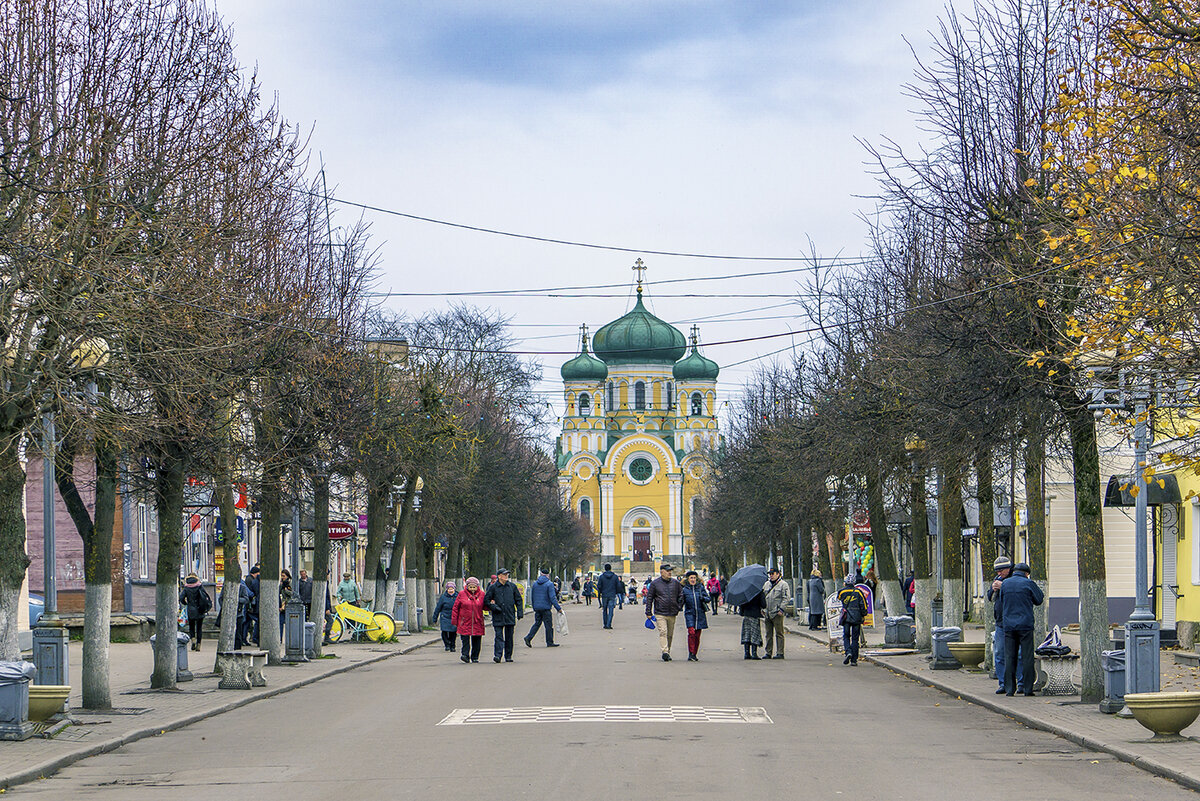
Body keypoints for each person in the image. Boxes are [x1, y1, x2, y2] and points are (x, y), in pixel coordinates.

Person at [997, 562, 1044, 697]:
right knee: (1027, 657)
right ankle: (1027, 689)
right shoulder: (1028, 583)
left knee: (1009, 656)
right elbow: (1039, 600)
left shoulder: (1005, 584)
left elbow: (1001, 600)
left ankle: (1010, 689)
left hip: (1009, 626)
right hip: (1025, 625)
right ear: (1027, 573)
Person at [644, 563, 685, 661]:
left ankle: (668, 651)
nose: (669, 572)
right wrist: (648, 612)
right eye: (667, 571)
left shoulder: (675, 583)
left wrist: (679, 606)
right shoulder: (655, 584)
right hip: (660, 612)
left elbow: (681, 595)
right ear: (661, 572)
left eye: (670, 570)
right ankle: (665, 651)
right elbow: (649, 598)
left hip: (672, 612)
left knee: (670, 634)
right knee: (663, 632)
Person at [483, 567, 524, 663]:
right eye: (504, 575)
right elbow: (486, 600)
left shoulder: (512, 587)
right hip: (498, 615)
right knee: (499, 636)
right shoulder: (493, 587)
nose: (506, 576)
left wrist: (520, 612)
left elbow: (518, 599)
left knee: (509, 637)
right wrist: (494, 607)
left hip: (510, 615)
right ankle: (498, 655)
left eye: (507, 575)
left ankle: (508, 656)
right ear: (499, 576)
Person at [988, 556, 1016, 694]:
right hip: (1000, 622)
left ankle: (1019, 682)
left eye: (1001, 570)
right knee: (999, 653)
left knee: (1017, 654)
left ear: (1008, 568)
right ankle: (1003, 683)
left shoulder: (1014, 578)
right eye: (997, 571)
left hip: (1014, 622)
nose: (999, 573)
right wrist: (993, 589)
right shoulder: (997, 579)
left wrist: (1003, 586)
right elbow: (989, 597)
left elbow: (1017, 594)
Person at [524, 568, 563, 648]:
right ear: (548, 575)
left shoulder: (535, 584)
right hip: (546, 608)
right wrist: (558, 608)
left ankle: (528, 637)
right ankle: (549, 642)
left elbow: (533, 596)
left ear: (541, 574)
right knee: (548, 625)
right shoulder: (549, 584)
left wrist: (534, 607)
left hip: (537, 608)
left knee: (537, 623)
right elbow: (552, 597)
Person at [452, 577, 486, 663]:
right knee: (465, 640)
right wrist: (454, 620)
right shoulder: (461, 594)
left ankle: (475, 657)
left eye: (474, 587)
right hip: (464, 621)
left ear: (477, 587)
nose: (472, 589)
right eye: (470, 587)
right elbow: (456, 607)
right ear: (467, 586)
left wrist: (492, 604)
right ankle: (465, 655)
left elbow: (485, 606)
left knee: (477, 641)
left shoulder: (482, 594)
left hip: (477, 621)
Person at [680, 570, 710, 662]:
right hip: (690, 614)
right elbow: (681, 601)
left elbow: (708, 598)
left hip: (700, 614)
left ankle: (694, 654)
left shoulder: (700, 588)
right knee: (691, 633)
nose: (693, 579)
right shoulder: (685, 589)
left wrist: (703, 598)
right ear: (687, 579)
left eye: (694, 578)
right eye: (691, 578)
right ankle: (691, 653)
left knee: (697, 636)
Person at [838, 576, 867, 666]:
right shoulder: (858, 592)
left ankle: (848, 652)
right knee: (855, 638)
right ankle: (854, 660)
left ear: (845, 582)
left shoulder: (842, 591)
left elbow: (839, 598)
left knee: (846, 635)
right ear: (854, 583)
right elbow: (864, 605)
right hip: (857, 617)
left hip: (846, 617)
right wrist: (863, 614)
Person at [762, 567, 790, 659]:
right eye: (770, 574)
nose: (771, 576)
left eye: (773, 574)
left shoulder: (783, 585)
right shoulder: (766, 584)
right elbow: (762, 597)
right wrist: (762, 608)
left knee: (779, 633)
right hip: (767, 613)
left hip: (777, 613)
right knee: (768, 634)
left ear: (778, 574)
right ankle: (768, 652)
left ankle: (780, 652)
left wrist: (781, 609)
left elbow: (786, 598)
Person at [179, 574, 211, 651]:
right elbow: (205, 597)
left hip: (191, 609)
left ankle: (193, 639)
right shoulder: (199, 586)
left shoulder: (186, 588)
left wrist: (186, 603)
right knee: (199, 628)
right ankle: (199, 645)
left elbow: (181, 598)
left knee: (191, 626)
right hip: (200, 609)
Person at [739, 583, 765, 660]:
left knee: (747, 633)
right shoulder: (759, 591)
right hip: (755, 615)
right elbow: (764, 605)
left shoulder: (745, 591)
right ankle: (754, 653)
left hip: (746, 615)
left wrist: (742, 612)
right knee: (755, 634)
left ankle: (747, 653)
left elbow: (741, 603)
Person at [432, 581, 459, 651]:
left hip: (454, 616)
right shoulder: (443, 597)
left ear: (454, 589)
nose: (450, 590)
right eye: (449, 589)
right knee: (444, 632)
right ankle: (447, 644)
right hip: (445, 616)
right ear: (447, 589)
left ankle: (452, 646)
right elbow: (438, 608)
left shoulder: (458, 596)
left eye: (452, 589)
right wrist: (435, 618)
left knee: (453, 632)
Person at [597, 563, 620, 628]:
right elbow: (618, 586)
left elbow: (599, 586)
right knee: (611, 610)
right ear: (610, 568)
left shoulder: (601, 576)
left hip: (604, 595)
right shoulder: (615, 576)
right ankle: (609, 624)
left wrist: (601, 592)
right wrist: (616, 592)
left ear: (605, 568)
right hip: (612, 594)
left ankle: (605, 624)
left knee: (604, 610)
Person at [245, 565, 261, 645]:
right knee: (250, 622)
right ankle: (254, 638)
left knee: (248, 622)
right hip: (252, 605)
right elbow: (250, 593)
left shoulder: (251, 580)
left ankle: (252, 637)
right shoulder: (252, 581)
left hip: (252, 604)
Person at [279, 568, 293, 634]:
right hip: (283, 605)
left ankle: (289, 636)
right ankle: (280, 638)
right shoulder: (282, 583)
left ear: (287, 576)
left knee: (289, 622)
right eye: (281, 576)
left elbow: (293, 594)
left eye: (284, 576)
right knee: (281, 622)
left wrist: (286, 590)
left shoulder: (291, 582)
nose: (282, 577)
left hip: (289, 604)